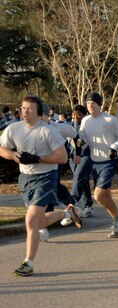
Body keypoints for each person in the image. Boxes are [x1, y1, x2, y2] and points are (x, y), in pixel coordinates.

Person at [0, 96, 82, 276]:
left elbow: (61, 157)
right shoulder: (13, 128)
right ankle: (67, 212)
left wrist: (37, 158)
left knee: (30, 221)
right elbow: (2, 148)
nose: (25, 112)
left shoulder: (48, 131)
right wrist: (13, 156)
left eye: (29, 109)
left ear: (39, 112)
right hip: (25, 178)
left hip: (46, 177)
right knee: (38, 222)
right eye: (23, 108)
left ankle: (28, 263)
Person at [78, 92, 118, 237]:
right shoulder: (85, 121)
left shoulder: (110, 119)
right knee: (106, 196)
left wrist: (114, 147)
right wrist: (80, 142)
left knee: (99, 196)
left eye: (93, 103)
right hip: (95, 162)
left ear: (99, 104)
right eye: (88, 103)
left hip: (109, 161)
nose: (90, 105)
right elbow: (83, 137)